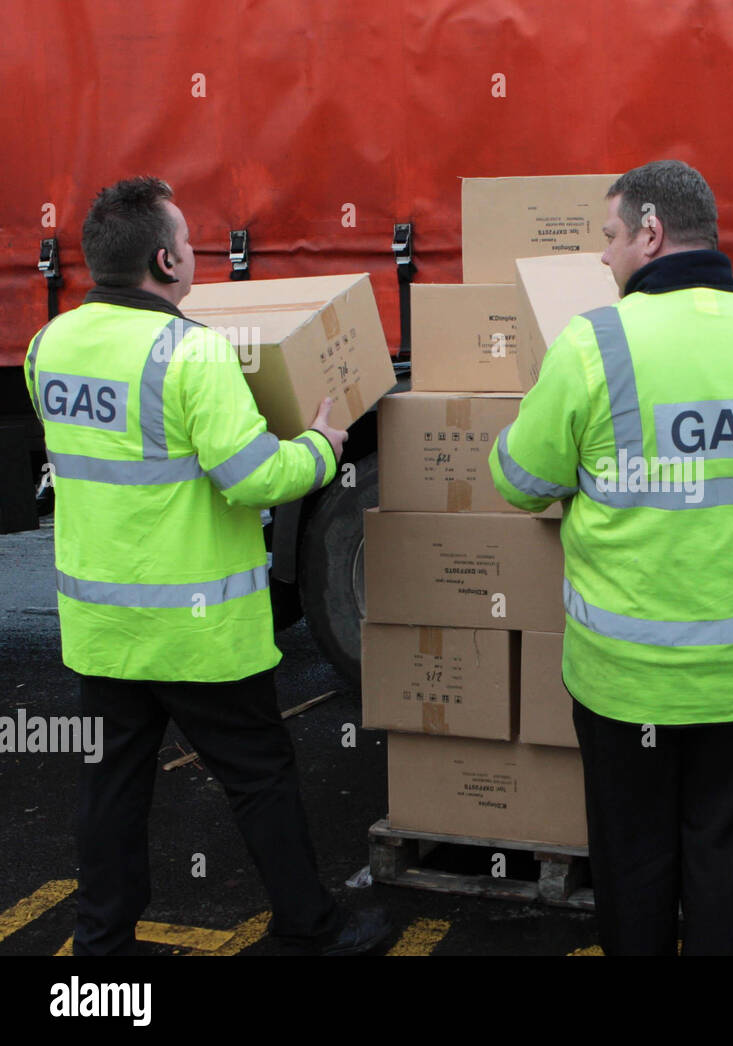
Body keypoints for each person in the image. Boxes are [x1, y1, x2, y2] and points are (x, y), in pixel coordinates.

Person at [489, 160, 733, 955]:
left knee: (633, 861)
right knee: (725, 858)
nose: (603, 256)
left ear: (651, 233)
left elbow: (521, 482)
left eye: (612, 236)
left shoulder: (596, 344)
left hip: (627, 679)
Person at [24, 176, 390, 956]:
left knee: (112, 787)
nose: (196, 253)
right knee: (258, 778)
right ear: (164, 258)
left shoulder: (46, 344)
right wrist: (323, 444)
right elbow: (256, 478)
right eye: (188, 242)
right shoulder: (191, 355)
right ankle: (308, 926)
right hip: (196, 634)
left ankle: (102, 943)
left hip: (103, 630)